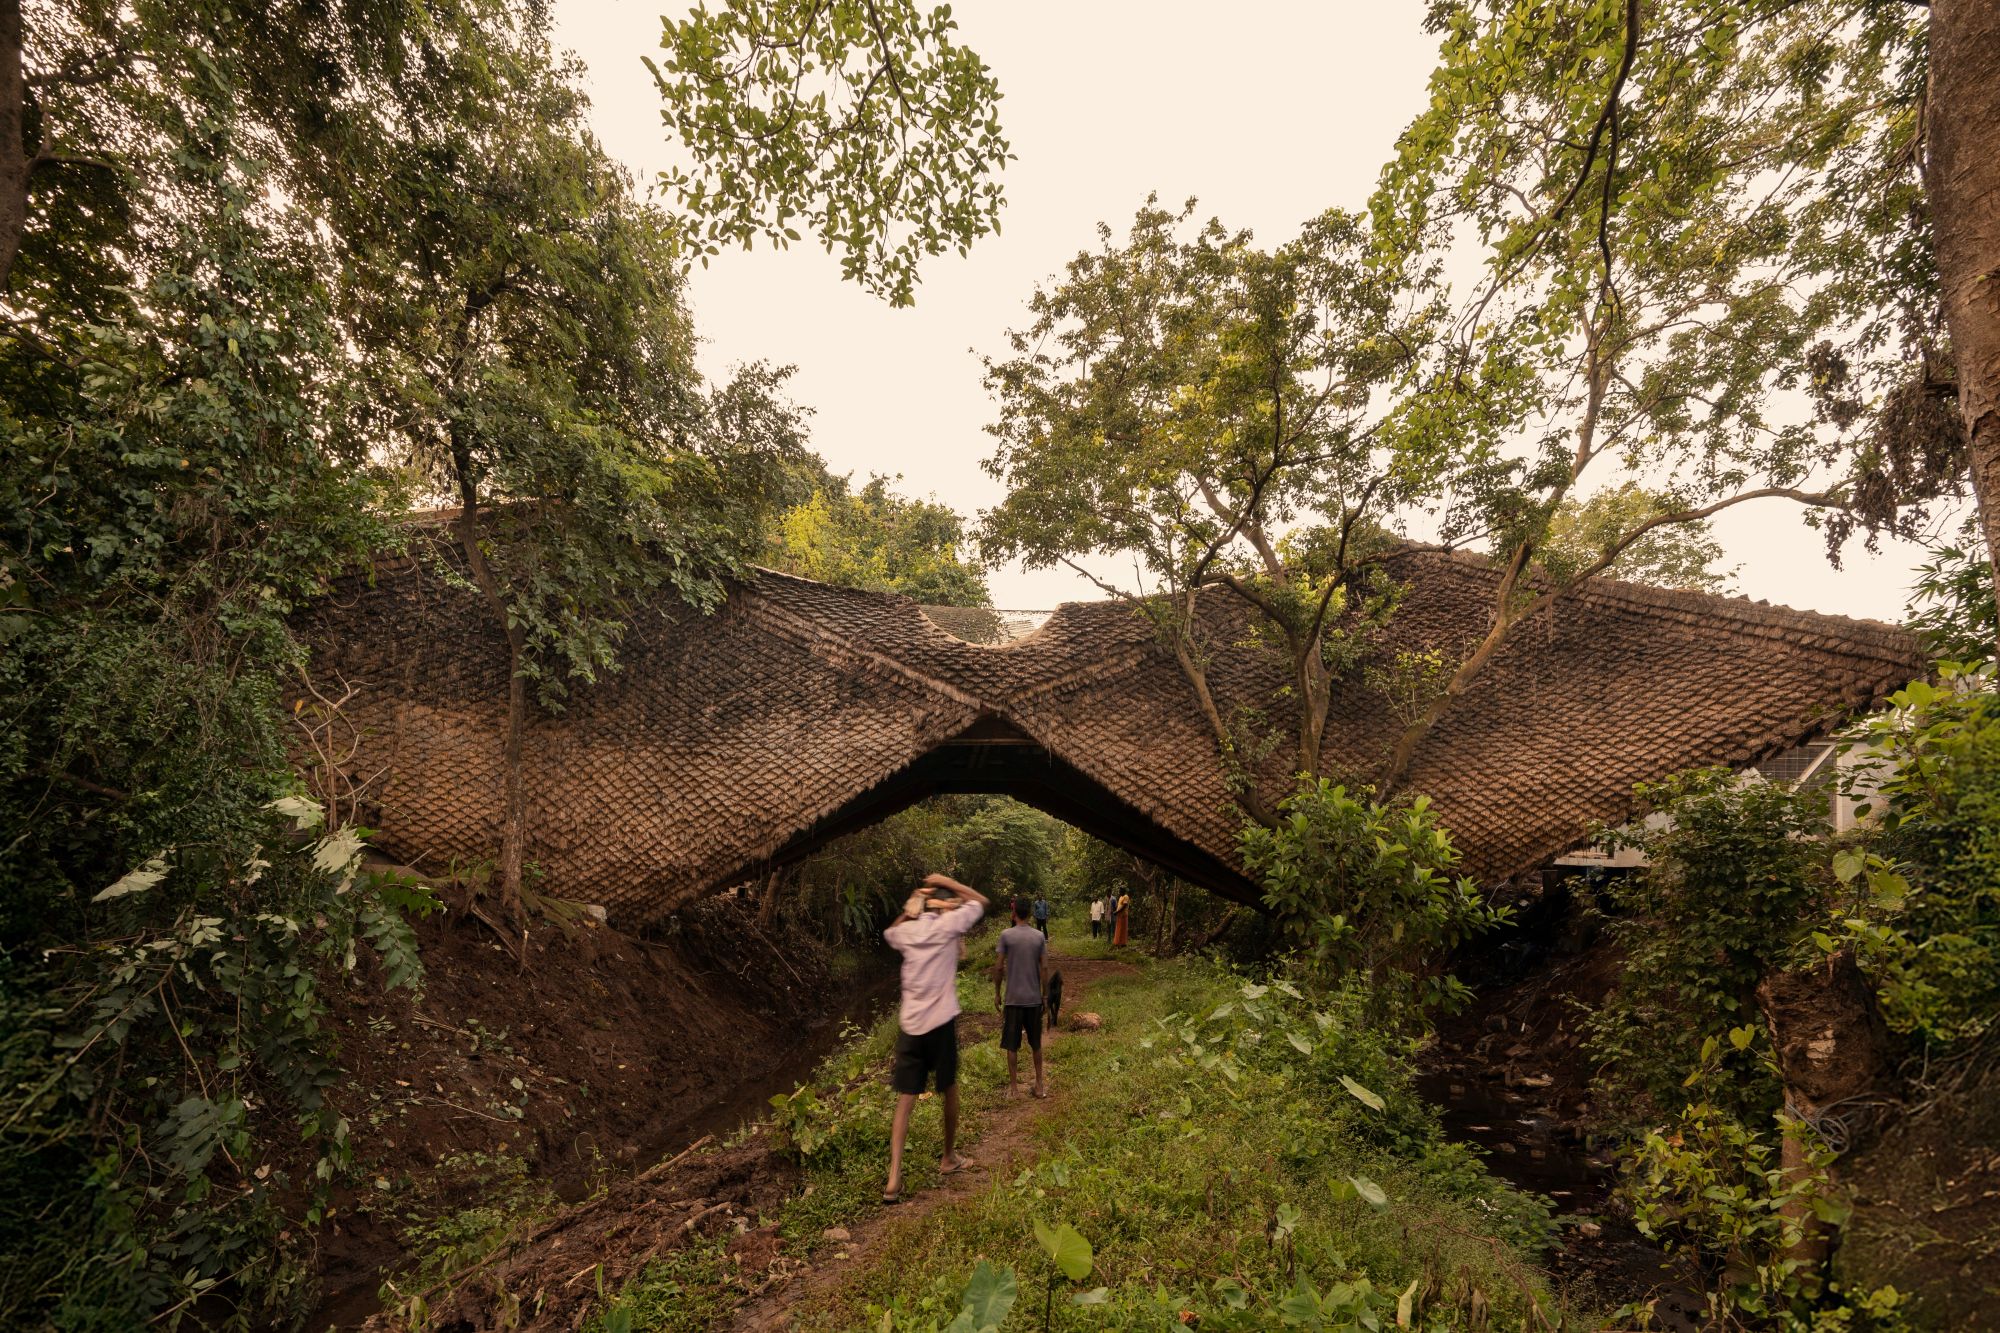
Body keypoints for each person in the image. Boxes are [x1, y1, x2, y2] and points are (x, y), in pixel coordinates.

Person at [881, 872, 988, 1204]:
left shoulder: (908, 932)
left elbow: (890, 932)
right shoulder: (949, 926)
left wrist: (912, 905)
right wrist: (949, 883)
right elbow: (980, 901)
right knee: (949, 1089)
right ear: (944, 906)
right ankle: (948, 1157)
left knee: (906, 1099)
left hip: (910, 1026)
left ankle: (894, 1177)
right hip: (940, 1023)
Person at [993, 897, 1050, 1098]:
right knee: (1036, 1043)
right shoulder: (1039, 936)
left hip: (1013, 1000)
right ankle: (1039, 1085)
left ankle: (1014, 1089)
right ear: (1031, 914)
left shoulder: (1006, 935)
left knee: (1012, 1045)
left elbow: (999, 967)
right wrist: (1045, 996)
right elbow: (1044, 968)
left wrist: (997, 993)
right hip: (1033, 999)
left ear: (1014, 913)